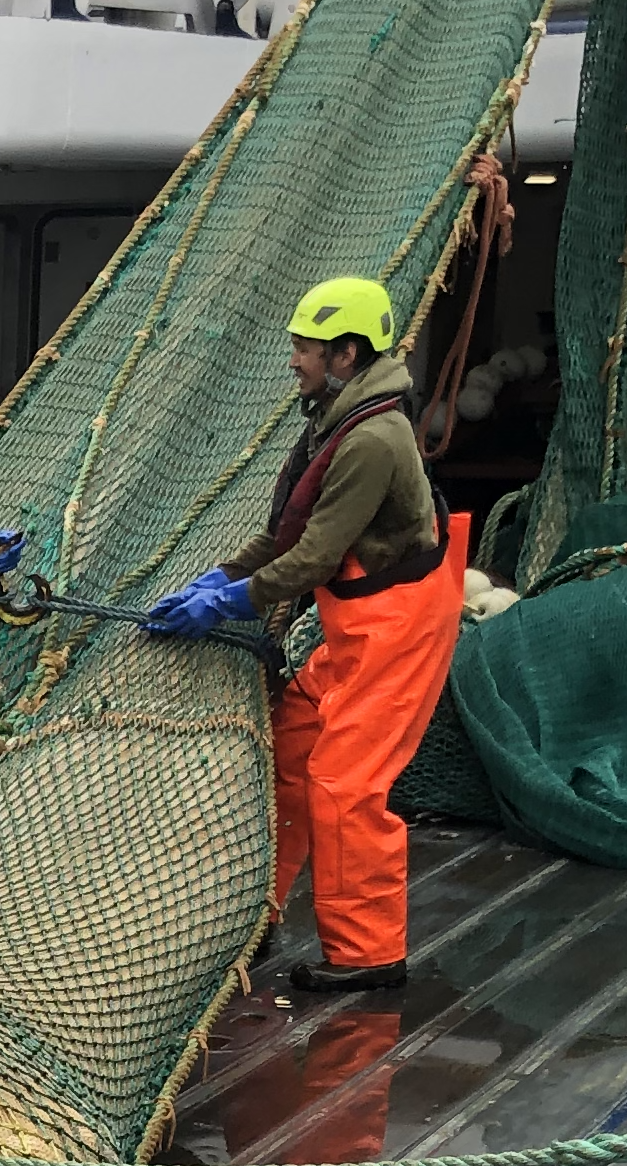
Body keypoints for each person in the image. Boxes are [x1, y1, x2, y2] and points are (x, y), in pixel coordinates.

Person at [142, 276, 455, 995]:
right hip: (358, 625)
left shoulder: (374, 438)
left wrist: (227, 605)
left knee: (345, 784)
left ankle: (369, 955)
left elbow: (312, 557)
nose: (295, 361)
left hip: (397, 628)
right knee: (294, 740)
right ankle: (263, 911)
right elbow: (283, 533)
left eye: (306, 349)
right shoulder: (334, 416)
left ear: (347, 353)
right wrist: (211, 579)